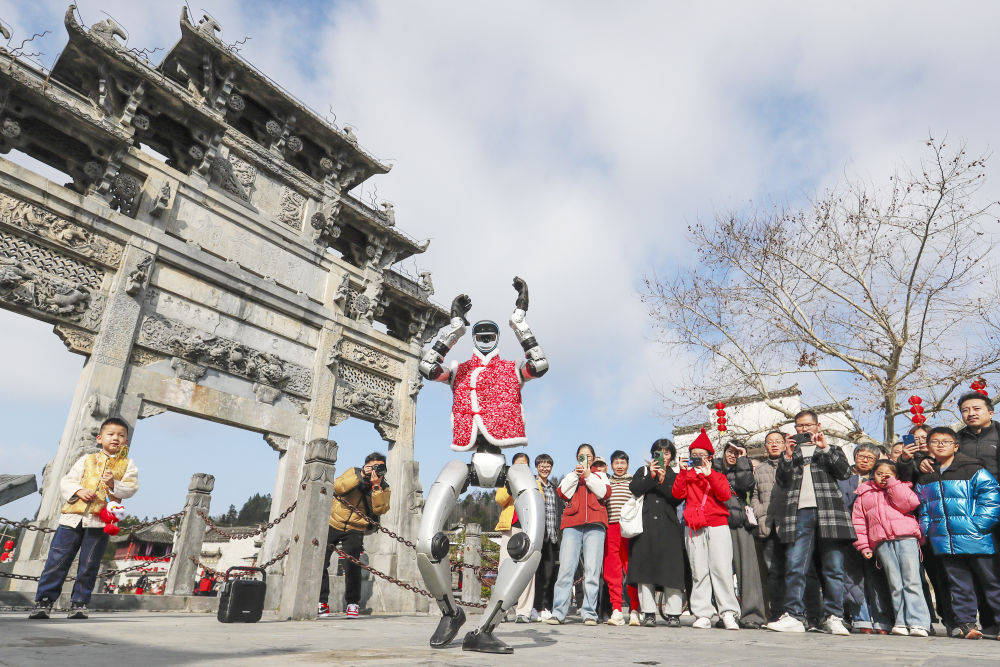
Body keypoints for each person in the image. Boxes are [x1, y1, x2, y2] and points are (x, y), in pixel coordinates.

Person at [416, 279, 549, 654]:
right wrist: (454, 327)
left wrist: (519, 320)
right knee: (427, 540)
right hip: (470, 460)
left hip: (506, 463)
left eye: (491, 334)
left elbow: (539, 364)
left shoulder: (511, 369)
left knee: (528, 543)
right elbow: (427, 366)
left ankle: (487, 627)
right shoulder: (459, 371)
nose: (486, 337)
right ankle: (450, 611)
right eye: (480, 333)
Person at [29, 417, 138, 620]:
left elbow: (131, 488)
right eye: (110, 434)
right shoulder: (86, 459)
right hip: (72, 518)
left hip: (100, 522)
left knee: (89, 564)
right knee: (57, 560)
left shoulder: (128, 465)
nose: (115, 438)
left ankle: (79, 603)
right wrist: (78, 491)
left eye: (121, 435)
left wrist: (113, 483)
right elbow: (67, 481)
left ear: (126, 441)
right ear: (99, 438)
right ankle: (44, 601)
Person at [766, 410, 854, 636]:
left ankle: (834, 616)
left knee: (833, 568)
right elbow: (782, 480)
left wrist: (825, 448)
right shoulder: (791, 452)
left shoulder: (831, 448)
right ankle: (794, 615)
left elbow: (845, 473)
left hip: (830, 512)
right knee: (795, 565)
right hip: (798, 514)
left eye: (807, 425)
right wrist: (787, 456)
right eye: (799, 426)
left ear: (817, 425)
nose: (804, 429)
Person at [914, 426, 1000, 639]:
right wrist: (927, 530)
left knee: (991, 583)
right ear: (929, 447)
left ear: (955, 446)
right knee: (959, 585)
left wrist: (979, 525)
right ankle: (966, 625)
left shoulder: (973, 469)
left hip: (977, 538)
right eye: (935, 442)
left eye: (946, 441)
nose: (940, 445)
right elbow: (923, 506)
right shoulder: (926, 477)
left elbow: (991, 496)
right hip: (945, 540)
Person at [852, 460, 931, 637]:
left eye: (888, 473)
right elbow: (859, 522)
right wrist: (864, 546)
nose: (883, 477)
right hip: (882, 543)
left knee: (912, 580)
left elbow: (910, 503)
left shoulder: (901, 486)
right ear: (873, 474)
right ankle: (901, 621)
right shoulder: (864, 493)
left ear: (895, 475)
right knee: (895, 583)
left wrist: (893, 484)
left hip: (906, 538)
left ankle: (918, 622)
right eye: (879, 473)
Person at [672, 429, 740, 630]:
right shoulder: (687, 475)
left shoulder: (717, 475)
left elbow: (725, 495)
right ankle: (702, 613)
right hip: (694, 526)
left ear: (710, 457)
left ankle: (728, 612)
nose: (697, 458)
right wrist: (682, 472)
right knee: (698, 570)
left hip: (717, 524)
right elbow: (677, 494)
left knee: (722, 569)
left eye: (702, 455)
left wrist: (710, 476)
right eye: (694, 455)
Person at [318, 451, 390, 619]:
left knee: (352, 565)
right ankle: (321, 602)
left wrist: (376, 486)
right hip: (334, 521)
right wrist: (361, 476)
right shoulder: (354, 472)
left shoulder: (384, 487)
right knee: (320, 561)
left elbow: (381, 509)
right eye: (372, 466)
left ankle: (352, 603)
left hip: (356, 527)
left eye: (379, 467)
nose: (375, 470)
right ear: (365, 465)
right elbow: (338, 487)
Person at [546, 443, 610, 626]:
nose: (585, 459)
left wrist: (589, 476)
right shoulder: (571, 476)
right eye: (582, 456)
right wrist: (576, 475)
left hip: (595, 525)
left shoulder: (600, 475)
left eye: (589, 456)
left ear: (594, 458)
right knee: (566, 570)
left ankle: (589, 613)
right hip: (572, 525)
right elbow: (562, 493)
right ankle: (558, 612)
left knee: (592, 571)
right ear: (577, 458)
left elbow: (604, 493)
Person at [627, 439, 686, 627]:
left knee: (672, 571)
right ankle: (649, 613)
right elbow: (634, 489)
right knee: (645, 572)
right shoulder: (644, 471)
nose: (663, 457)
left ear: (672, 456)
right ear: (653, 454)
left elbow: (677, 497)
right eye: (659, 453)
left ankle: (674, 613)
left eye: (667, 453)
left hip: (669, 528)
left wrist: (662, 479)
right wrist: (651, 476)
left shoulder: (675, 475)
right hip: (645, 529)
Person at [956, 392, 1000, 637]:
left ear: (990, 412)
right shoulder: (956, 440)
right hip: (971, 512)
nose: (970, 413)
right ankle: (991, 623)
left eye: (976, 408)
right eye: (965, 410)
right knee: (983, 567)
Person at [839, 443, 893, 634]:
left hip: (874, 534)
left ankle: (881, 618)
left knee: (877, 577)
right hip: (847, 532)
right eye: (861, 456)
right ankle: (860, 618)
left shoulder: (880, 478)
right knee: (852, 577)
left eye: (870, 458)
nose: (864, 460)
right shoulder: (843, 475)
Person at [715, 440, 767, 628]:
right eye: (729, 451)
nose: (732, 455)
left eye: (737, 452)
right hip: (718, 522)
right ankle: (727, 614)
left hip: (740, 523)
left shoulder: (745, 469)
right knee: (722, 571)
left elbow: (745, 485)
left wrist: (743, 461)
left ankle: (752, 615)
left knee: (747, 569)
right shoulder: (716, 469)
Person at [495, 452, 540, 623]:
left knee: (527, 570)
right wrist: (512, 484)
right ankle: (501, 610)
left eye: (525, 464)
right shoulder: (505, 481)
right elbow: (500, 499)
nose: (521, 467)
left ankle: (524, 611)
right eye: (518, 464)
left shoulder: (534, 481)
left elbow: (541, 499)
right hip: (510, 528)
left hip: (528, 530)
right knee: (504, 568)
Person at [601, 450, 639, 626]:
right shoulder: (607, 482)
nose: (619, 466)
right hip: (612, 527)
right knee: (612, 570)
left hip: (629, 528)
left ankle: (634, 609)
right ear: (611, 465)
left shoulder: (634, 482)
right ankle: (616, 609)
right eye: (616, 463)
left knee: (631, 568)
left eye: (622, 463)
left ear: (627, 465)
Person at [532, 453, 563, 621]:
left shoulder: (553, 488)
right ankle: (535, 607)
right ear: (537, 467)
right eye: (542, 465)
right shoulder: (533, 484)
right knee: (537, 574)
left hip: (552, 537)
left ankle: (545, 606)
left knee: (550, 574)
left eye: (548, 466)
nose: (545, 468)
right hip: (538, 536)